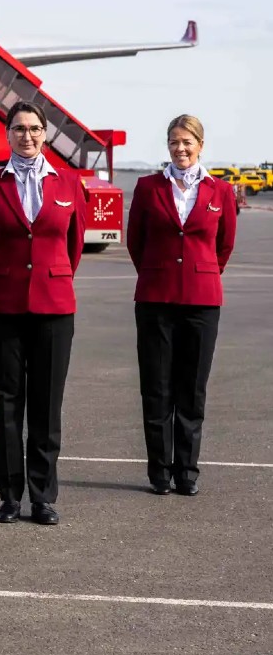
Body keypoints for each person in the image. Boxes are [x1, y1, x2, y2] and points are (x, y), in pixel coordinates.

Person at [0, 101, 87, 526]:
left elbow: (73, 246)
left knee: (45, 405)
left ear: (46, 133)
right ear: (7, 134)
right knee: (4, 406)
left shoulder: (69, 183)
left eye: (35, 128)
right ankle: (9, 495)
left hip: (54, 308)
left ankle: (42, 495)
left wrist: (49, 280)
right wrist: (9, 279)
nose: (28, 136)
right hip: (1, 306)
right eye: (19, 129)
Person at [126, 115, 237, 496]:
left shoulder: (220, 191)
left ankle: (186, 471)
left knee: (192, 390)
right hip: (155, 300)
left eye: (188, 141)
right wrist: (158, 274)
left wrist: (200, 273)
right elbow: (135, 241)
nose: (181, 148)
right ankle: (159, 470)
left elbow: (224, 246)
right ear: (168, 145)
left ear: (200, 145)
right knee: (156, 388)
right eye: (174, 141)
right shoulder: (147, 187)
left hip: (202, 303)